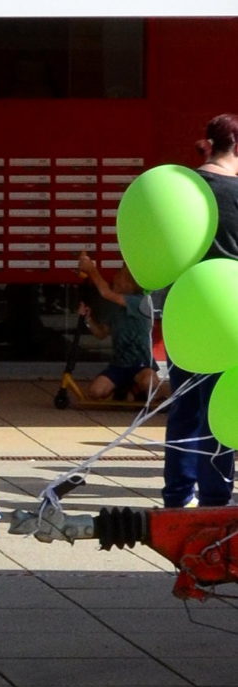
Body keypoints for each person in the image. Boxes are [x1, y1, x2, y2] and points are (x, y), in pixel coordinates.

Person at [167, 119, 238, 507]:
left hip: (183, 310)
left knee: (184, 408)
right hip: (227, 313)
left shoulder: (182, 187)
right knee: (220, 407)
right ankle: (214, 496)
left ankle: (177, 494)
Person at [75, 250, 156, 403]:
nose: (115, 280)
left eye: (120, 279)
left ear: (131, 285)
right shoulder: (114, 307)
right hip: (119, 364)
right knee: (95, 392)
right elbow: (101, 334)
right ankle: (126, 389)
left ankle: (137, 390)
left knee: (149, 383)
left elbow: (105, 292)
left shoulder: (140, 302)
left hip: (141, 364)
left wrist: (92, 270)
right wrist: (88, 319)